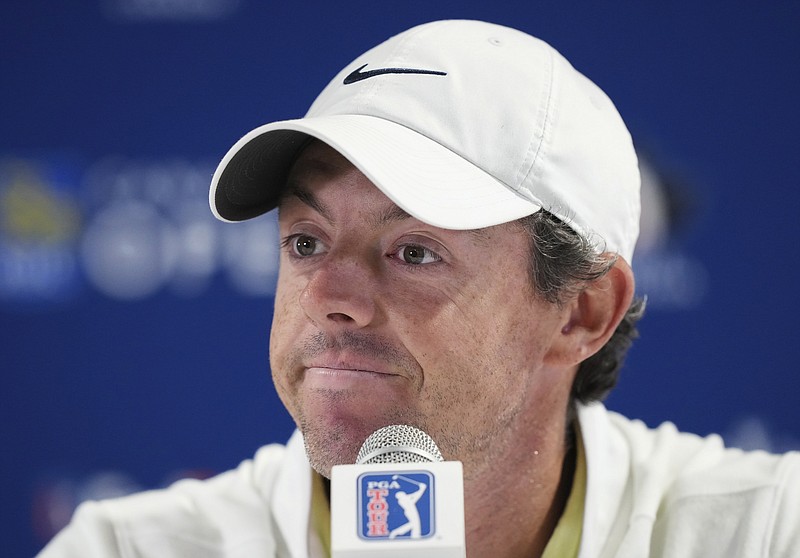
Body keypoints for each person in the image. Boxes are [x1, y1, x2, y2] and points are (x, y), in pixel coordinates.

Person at [39, 19, 799, 558]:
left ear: (582, 311)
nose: (330, 294)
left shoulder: (769, 533)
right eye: (307, 241)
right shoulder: (126, 550)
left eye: (414, 251)